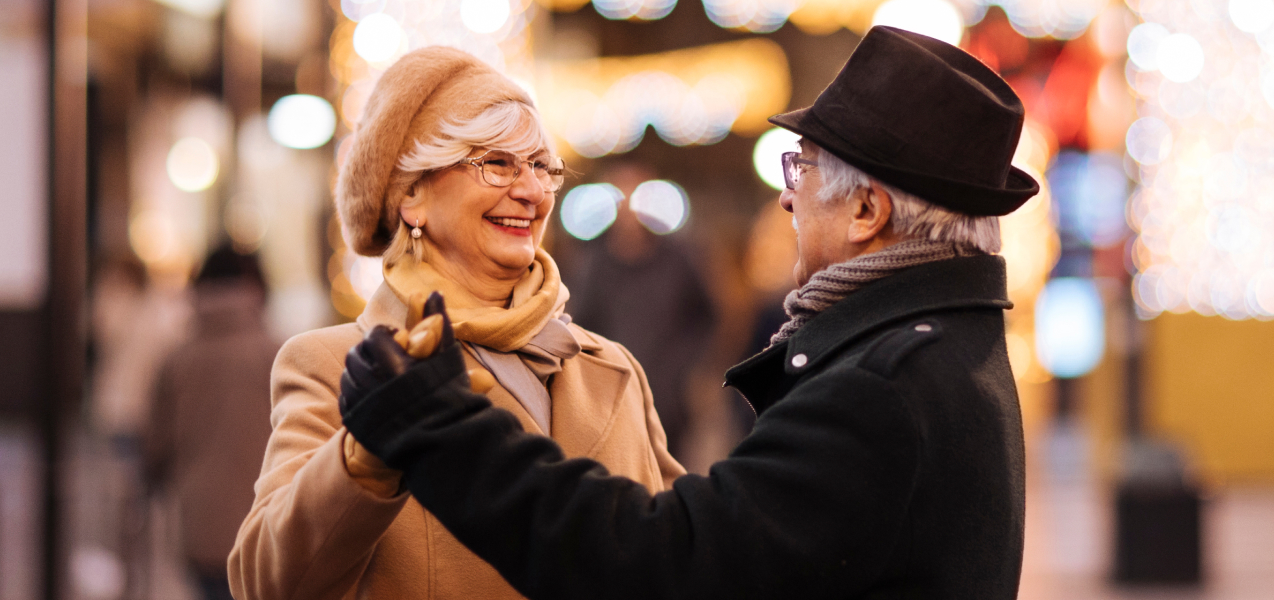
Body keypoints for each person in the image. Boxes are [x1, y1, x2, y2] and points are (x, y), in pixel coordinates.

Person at [332, 26, 1039, 600]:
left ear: (866, 210)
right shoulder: (950, 348)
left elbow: (665, 563)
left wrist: (438, 431)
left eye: (804, 169)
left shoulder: (881, 387)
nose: (788, 198)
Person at [228, 47, 685, 600]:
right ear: (412, 196)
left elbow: (684, 554)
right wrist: (367, 455)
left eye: (542, 167)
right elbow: (266, 583)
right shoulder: (336, 365)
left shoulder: (611, 367)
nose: (532, 191)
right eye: (497, 163)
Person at [145, 246, 280, 600]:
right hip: (269, 528)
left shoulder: (177, 360)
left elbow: (155, 450)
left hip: (200, 527)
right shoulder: (280, 354)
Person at [564, 164, 718, 461]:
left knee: (672, 474)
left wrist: (690, 369)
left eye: (636, 196)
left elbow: (707, 317)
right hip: (614, 397)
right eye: (621, 197)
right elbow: (579, 325)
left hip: (670, 398)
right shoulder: (593, 264)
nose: (629, 208)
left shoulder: (680, 258)